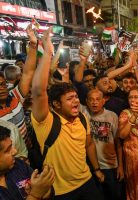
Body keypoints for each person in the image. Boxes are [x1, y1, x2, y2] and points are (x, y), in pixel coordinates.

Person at [30, 27, 103, 199]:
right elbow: (39, 91)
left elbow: (89, 145)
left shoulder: (82, 118)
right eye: (70, 99)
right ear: (56, 104)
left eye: (76, 97)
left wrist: (97, 170)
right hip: (61, 192)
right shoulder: (46, 122)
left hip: (88, 183)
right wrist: (47, 53)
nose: (77, 101)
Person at [81, 89, 124, 199]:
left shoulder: (112, 116)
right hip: (90, 166)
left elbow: (117, 142)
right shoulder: (83, 113)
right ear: (86, 101)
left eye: (97, 99)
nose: (94, 102)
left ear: (103, 101)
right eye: (91, 99)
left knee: (114, 196)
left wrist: (120, 166)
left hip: (110, 165)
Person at [0, 24, 37, 149]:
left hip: (29, 152)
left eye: (2, 84)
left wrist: (33, 45)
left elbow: (28, 72)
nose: (1, 88)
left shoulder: (15, 97)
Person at [0, 125, 55, 200]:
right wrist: (35, 195)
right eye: (7, 150)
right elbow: (37, 192)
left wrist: (44, 189)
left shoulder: (18, 164)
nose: (15, 152)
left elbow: (47, 192)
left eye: (11, 146)